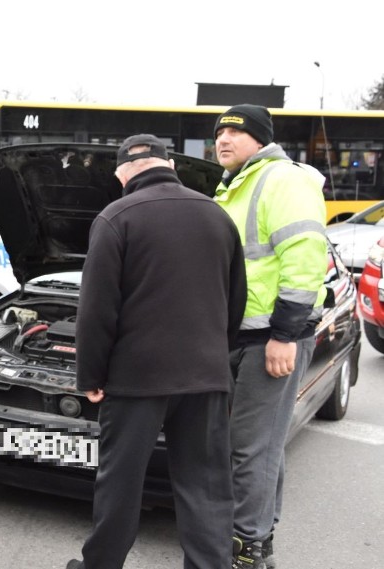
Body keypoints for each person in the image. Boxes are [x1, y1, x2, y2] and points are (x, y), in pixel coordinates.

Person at [67, 134, 247, 569]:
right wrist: (211, 355)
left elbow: (96, 310)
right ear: (170, 164)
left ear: (122, 172)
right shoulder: (217, 216)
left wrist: (90, 376)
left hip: (137, 379)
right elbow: (236, 299)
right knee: (205, 486)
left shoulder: (117, 216)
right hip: (206, 375)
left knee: (121, 485)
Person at [213, 104, 328, 569]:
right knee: (258, 446)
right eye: (219, 132)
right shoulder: (233, 187)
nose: (223, 139)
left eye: (235, 133)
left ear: (259, 140)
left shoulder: (282, 179)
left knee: (250, 447)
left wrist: (286, 334)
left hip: (271, 339)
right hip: (242, 336)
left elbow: (304, 257)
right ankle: (259, 539)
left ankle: (247, 548)